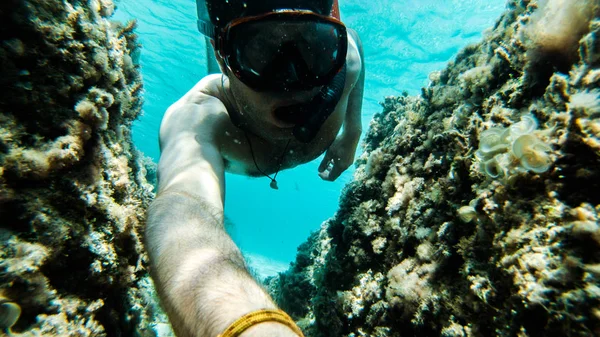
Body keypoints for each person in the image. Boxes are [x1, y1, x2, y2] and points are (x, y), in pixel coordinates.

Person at [145, 0, 365, 336]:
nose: (292, 80)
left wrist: (353, 129)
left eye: (314, 46)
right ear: (226, 57)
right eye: (261, 51)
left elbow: (353, 46)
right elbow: (180, 206)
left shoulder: (343, 64)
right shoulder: (199, 118)